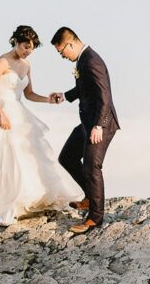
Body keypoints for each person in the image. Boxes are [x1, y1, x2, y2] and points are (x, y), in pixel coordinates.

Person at [0, 26, 81, 226]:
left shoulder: (27, 65)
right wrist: (2, 114)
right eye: (25, 47)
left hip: (19, 113)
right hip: (2, 114)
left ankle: (25, 202)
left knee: (28, 155)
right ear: (15, 41)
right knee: (8, 159)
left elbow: (29, 94)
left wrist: (48, 100)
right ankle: (6, 207)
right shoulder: (3, 61)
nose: (27, 51)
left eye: (31, 49)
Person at [49, 26, 120, 234]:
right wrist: (64, 96)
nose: (63, 56)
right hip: (88, 123)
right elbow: (84, 88)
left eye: (62, 52)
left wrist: (99, 125)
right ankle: (90, 197)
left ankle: (95, 219)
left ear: (70, 44)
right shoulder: (82, 60)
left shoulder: (91, 61)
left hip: (101, 124)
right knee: (67, 157)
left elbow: (104, 96)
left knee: (92, 167)